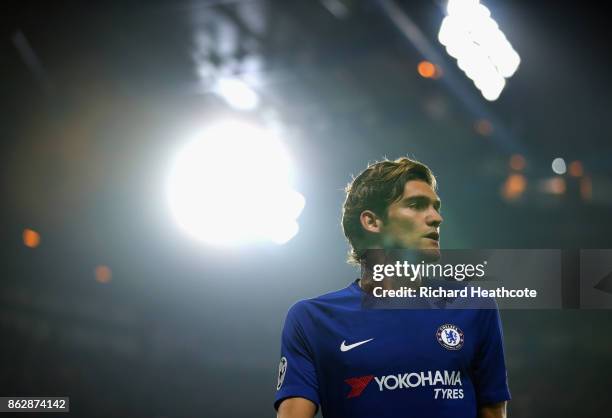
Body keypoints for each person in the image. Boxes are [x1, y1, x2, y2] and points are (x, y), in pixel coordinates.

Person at [274, 157, 510, 418]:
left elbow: (493, 412)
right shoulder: (312, 319)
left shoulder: (473, 305)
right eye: (416, 205)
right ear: (372, 222)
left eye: (435, 207)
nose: (436, 218)